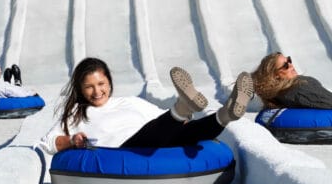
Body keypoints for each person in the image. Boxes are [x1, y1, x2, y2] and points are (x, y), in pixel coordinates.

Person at [38, 57, 253, 154]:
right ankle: (183, 105)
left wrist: (188, 125)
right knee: (151, 133)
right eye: (89, 87)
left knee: (183, 130)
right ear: (80, 89)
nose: (97, 92)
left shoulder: (131, 102)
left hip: (157, 142)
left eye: (101, 84)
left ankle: (228, 112)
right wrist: (71, 140)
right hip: (123, 151)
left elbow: (163, 121)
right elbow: (47, 142)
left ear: (110, 82)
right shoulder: (77, 113)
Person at [253, 52, 332, 109]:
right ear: (275, 75)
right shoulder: (298, 89)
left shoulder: (276, 95)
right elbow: (326, 101)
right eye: (285, 66)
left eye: (289, 60)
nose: (290, 65)